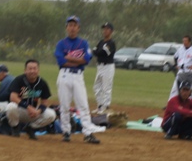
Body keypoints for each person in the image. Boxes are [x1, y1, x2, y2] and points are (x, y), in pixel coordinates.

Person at [55, 16, 102, 144]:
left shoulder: (83, 43)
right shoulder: (61, 44)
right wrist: (77, 61)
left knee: (83, 105)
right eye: (70, 25)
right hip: (64, 75)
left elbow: (86, 60)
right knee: (64, 105)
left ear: (78, 28)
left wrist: (69, 58)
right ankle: (66, 132)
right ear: (66, 28)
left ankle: (87, 133)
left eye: (75, 25)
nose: (72, 28)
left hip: (78, 76)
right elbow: (61, 61)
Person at [6, 59, 58, 140]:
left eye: (34, 68)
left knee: (51, 114)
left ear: (38, 70)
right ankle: (15, 128)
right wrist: (28, 107)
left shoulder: (42, 83)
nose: (32, 71)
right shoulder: (19, 80)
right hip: (20, 111)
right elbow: (13, 97)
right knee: (10, 106)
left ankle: (30, 128)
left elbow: (45, 102)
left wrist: (38, 111)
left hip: (33, 113)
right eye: (30, 69)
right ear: (25, 70)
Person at [169, 34, 192, 99]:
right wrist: (176, 65)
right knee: (175, 87)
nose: (184, 42)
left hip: (188, 71)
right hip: (181, 71)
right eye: (183, 41)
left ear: (189, 42)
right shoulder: (181, 49)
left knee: (189, 88)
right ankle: (170, 103)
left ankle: (189, 103)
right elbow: (175, 57)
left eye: (186, 41)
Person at [92, 21, 116, 113]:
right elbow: (95, 51)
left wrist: (98, 51)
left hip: (108, 67)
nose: (105, 31)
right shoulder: (101, 42)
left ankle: (106, 107)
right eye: (104, 29)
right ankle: (100, 106)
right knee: (96, 87)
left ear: (111, 31)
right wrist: (98, 51)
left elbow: (103, 53)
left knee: (106, 88)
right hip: (100, 67)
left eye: (107, 29)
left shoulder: (111, 43)